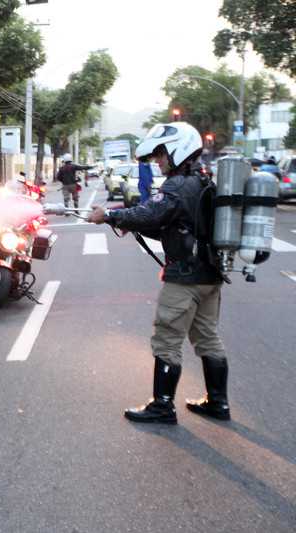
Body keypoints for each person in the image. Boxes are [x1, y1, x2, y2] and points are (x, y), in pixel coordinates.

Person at [87, 121, 230, 424]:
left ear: (179, 150)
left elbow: (151, 212)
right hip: (209, 276)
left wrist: (111, 215)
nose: (158, 162)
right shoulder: (203, 180)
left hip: (185, 278)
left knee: (167, 338)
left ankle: (162, 406)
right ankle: (218, 403)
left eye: (161, 155)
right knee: (207, 337)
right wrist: (126, 224)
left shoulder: (177, 185)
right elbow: (178, 226)